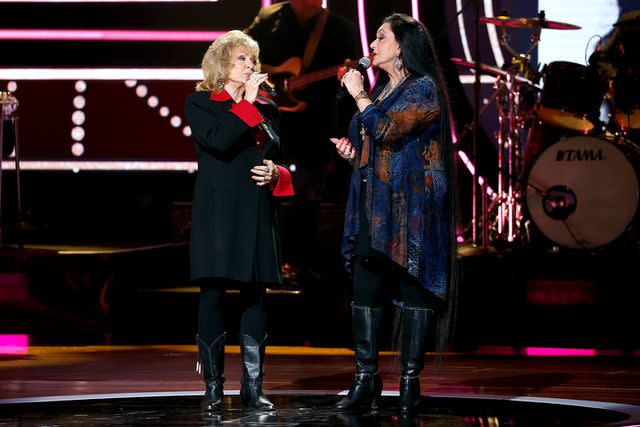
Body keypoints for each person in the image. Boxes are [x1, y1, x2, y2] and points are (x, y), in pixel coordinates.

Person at [329, 13, 458, 413]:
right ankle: (365, 380)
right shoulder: (383, 90)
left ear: (401, 46)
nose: (372, 45)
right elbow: (376, 145)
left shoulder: (424, 89)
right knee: (366, 287)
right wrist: (355, 154)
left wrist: (358, 95)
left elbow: (388, 130)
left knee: (411, 290)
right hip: (375, 206)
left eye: (380, 38)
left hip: (412, 211)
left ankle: (408, 384)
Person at [183, 30, 294, 412]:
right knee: (212, 293)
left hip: (257, 207)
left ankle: (252, 385)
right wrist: (245, 103)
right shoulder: (200, 103)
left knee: (255, 294)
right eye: (242, 59)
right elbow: (219, 140)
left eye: (252, 59)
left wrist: (278, 173)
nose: (250, 65)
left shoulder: (267, 104)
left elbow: (278, 153)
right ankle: (213, 388)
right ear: (222, 65)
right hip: (218, 211)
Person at [245, 0, 359, 280]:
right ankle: (262, 261)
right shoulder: (269, 18)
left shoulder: (339, 28)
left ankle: (299, 263)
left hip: (316, 124)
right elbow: (239, 52)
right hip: (271, 122)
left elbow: (352, 71)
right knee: (263, 189)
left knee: (308, 192)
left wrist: (348, 74)